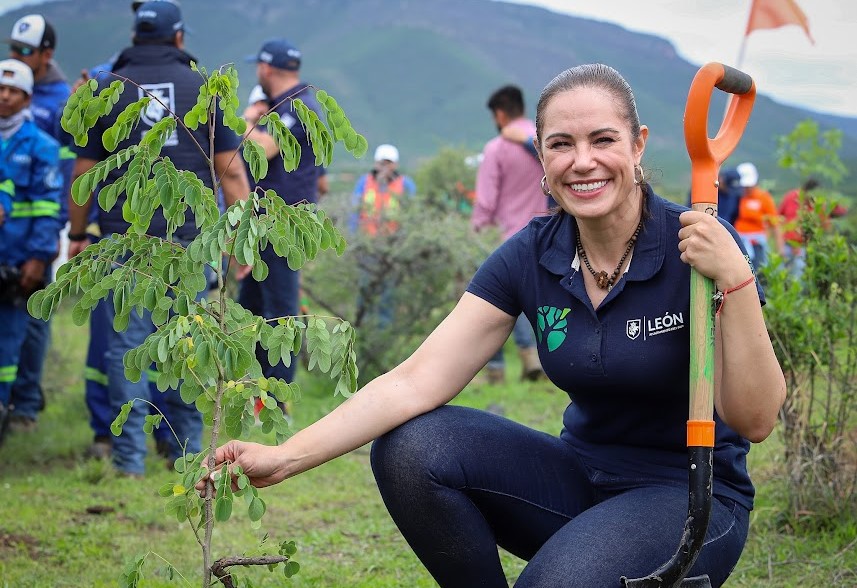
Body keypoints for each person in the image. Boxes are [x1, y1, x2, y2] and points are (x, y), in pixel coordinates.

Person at [200, 63, 787, 587]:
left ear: (637, 146)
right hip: (581, 478)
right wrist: (285, 457)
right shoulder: (533, 254)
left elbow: (756, 418)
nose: (582, 161)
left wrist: (734, 279)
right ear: (541, 155)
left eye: (602, 139)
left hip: (690, 497)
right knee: (411, 445)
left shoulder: (701, 249)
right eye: (561, 144)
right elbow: (415, 381)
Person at [67, 1, 250, 476]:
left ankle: (129, 460)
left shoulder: (106, 88)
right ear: (179, 38)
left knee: (124, 348)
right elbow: (231, 171)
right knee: (183, 340)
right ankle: (184, 450)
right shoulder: (203, 86)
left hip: (120, 245)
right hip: (187, 242)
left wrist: (74, 233)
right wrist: (241, 240)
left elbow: (84, 170)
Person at [240, 38, 325, 400]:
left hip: (282, 224)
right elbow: (320, 176)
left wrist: (246, 118)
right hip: (264, 221)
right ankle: (255, 393)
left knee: (280, 314)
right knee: (252, 309)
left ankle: (277, 402)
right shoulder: (284, 107)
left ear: (265, 68)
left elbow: (262, 148)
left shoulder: (297, 107)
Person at [5, 14, 73, 432]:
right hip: (6, 236)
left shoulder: (64, 100)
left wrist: (54, 234)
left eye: (26, 51)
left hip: (40, 231)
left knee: (31, 320)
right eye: (13, 48)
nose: (17, 56)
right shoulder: (9, 86)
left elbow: (66, 169)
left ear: (47, 54)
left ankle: (26, 404)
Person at [0, 59, 62, 445]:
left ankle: (9, 413)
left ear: (27, 98)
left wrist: (38, 259)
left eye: (14, 91)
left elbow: (47, 206)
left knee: (11, 343)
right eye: (0, 90)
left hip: (19, 264)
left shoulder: (42, 146)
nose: (5, 96)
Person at [471, 84, 545, 382]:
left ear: (500, 114)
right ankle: (536, 358)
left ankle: (497, 370)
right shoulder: (544, 143)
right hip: (544, 232)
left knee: (493, 301)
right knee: (535, 297)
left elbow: (486, 199)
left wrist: (477, 231)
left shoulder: (497, 148)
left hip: (504, 237)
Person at [349, 143, 417, 327]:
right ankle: (362, 330)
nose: (385, 167)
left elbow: (411, 217)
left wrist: (405, 246)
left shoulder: (406, 185)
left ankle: (383, 331)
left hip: (392, 249)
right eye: (382, 162)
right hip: (367, 247)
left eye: (389, 163)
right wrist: (354, 241)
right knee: (365, 290)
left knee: (388, 293)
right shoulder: (364, 183)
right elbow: (354, 213)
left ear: (395, 165)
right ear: (376, 163)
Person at [778, 177, 847, 281]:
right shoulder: (791, 197)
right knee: (780, 277)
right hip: (786, 245)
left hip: (803, 248)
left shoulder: (818, 206)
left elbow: (826, 227)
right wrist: (780, 245)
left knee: (798, 278)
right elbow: (778, 219)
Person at [733, 162, 783, 272]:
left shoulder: (763, 198)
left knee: (759, 273)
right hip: (738, 243)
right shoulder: (736, 197)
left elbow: (774, 224)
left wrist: (780, 250)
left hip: (757, 245)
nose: (747, 189)